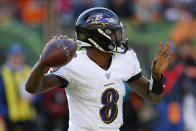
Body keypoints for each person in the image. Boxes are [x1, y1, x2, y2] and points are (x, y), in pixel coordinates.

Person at [26, 7, 174, 131]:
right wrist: (42, 63)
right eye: (114, 33)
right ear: (97, 38)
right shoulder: (74, 64)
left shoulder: (125, 59)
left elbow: (153, 97)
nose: (120, 37)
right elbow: (33, 88)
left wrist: (156, 77)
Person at [0, 43, 37, 131]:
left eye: (19, 56)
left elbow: (38, 90)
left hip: (28, 117)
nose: (17, 59)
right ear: (9, 57)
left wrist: (34, 98)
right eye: (15, 56)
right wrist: (5, 112)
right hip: (10, 117)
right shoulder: (3, 73)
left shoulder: (29, 71)